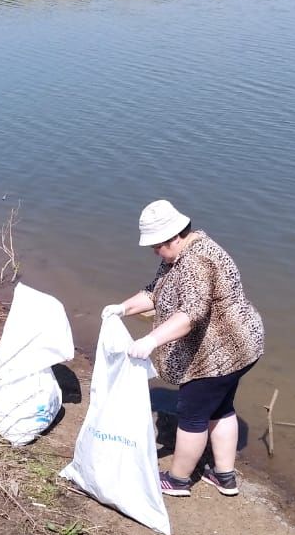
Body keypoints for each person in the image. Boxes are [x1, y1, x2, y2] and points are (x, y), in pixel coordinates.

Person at [102, 200, 264, 498]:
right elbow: (156, 291)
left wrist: (150, 341)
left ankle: (178, 480)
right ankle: (224, 476)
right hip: (244, 345)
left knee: (192, 414)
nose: (154, 251)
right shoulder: (178, 254)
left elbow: (191, 315)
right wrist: (122, 308)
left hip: (219, 353)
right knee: (221, 406)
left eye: (156, 245)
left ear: (174, 236)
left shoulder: (196, 262)